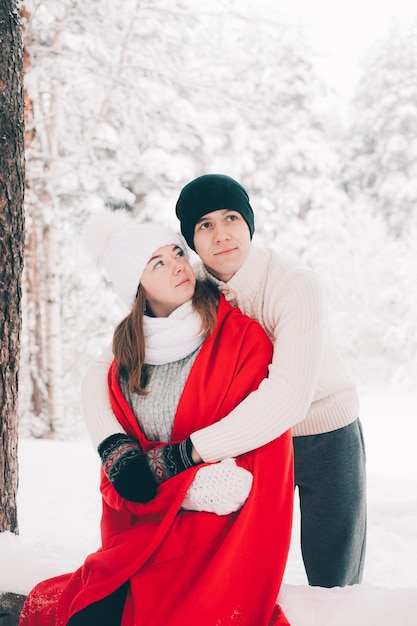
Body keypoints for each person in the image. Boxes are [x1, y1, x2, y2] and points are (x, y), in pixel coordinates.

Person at [82, 174, 367, 589]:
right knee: (245, 567)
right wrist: (112, 444)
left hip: (323, 429)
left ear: (249, 222)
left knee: (335, 576)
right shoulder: (191, 281)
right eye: (204, 225)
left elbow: (287, 398)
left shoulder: (294, 284)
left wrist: (188, 453)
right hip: (251, 439)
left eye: (231, 217)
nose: (221, 235)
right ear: (192, 241)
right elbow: (102, 367)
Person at [19, 216, 294, 626]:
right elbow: (122, 474)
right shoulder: (126, 358)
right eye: (157, 263)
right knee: (85, 612)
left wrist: (165, 471)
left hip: (216, 537)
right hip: (143, 532)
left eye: (177, 253)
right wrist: (153, 473)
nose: (179, 265)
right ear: (136, 286)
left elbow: (239, 479)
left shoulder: (242, 340)